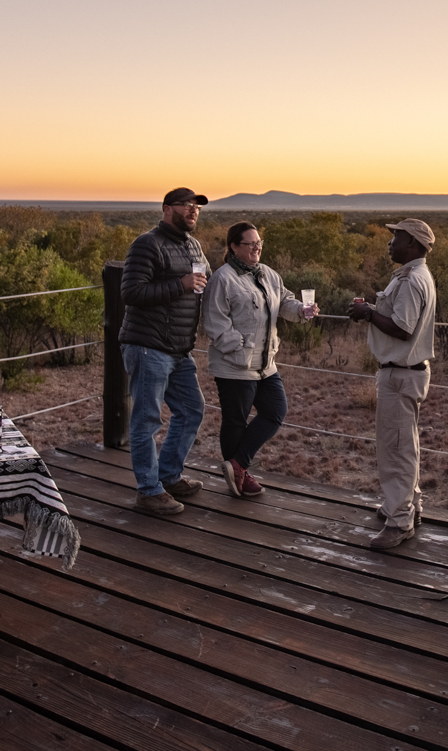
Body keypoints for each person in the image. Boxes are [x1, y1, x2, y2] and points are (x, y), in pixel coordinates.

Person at [203, 221, 319, 497]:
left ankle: (238, 464)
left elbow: (284, 300)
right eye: (250, 243)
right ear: (233, 247)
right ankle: (239, 479)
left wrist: (301, 310)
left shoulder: (267, 274)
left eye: (259, 243)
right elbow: (214, 321)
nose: (257, 247)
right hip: (234, 365)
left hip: (266, 365)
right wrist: (239, 345)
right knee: (235, 421)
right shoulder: (223, 278)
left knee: (275, 410)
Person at [118, 187, 212, 516]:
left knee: (191, 409)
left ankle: (168, 476)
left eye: (196, 206)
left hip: (178, 349)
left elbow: (204, 280)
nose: (193, 210)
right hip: (148, 346)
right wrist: (181, 285)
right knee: (146, 419)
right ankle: (148, 490)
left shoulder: (193, 245)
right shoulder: (147, 244)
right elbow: (131, 292)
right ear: (166, 208)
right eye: (186, 205)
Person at [347, 219, 438, 550]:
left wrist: (368, 313)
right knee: (405, 445)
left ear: (412, 243)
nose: (390, 242)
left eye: (396, 236)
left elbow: (402, 328)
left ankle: (399, 521)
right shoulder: (412, 275)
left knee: (395, 449)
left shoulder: (412, 280)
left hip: (401, 374)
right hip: (405, 372)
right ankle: (405, 506)